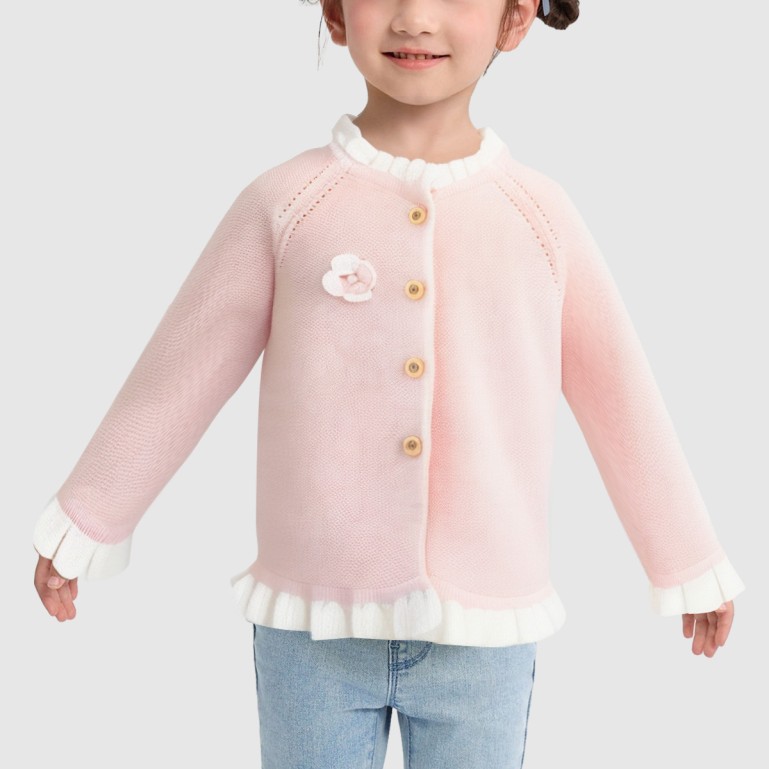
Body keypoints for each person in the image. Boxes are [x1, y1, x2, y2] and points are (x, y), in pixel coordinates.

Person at [32, 1, 746, 767]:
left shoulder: (540, 217)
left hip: (485, 628)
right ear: (336, 13)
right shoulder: (285, 202)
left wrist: (685, 559)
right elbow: (179, 372)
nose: (414, 17)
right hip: (310, 621)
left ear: (514, 20)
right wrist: (89, 517)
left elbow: (620, 396)